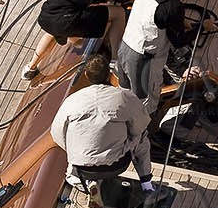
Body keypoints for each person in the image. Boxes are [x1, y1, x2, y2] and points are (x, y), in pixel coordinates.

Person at [49, 53, 154, 192]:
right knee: (142, 135)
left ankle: (83, 182)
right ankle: (146, 184)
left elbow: (56, 133)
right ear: (109, 74)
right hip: (117, 165)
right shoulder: (124, 97)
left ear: (86, 75)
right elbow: (140, 126)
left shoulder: (72, 101)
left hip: (83, 168)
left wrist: (76, 150)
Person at [116, 0, 207, 112]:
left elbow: (154, 15)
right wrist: (202, 27)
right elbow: (178, 41)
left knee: (124, 93)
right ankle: (142, 132)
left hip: (124, 48)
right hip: (143, 61)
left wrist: (179, 21)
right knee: (146, 104)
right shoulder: (172, 5)